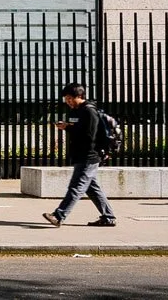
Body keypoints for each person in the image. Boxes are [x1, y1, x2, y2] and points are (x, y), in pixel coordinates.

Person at [40, 83, 118, 228]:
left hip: (89, 156)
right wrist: (68, 127)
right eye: (66, 99)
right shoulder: (76, 111)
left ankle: (59, 216)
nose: (67, 101)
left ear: (80, 96)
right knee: (92, 188)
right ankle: (109, 217)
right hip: (81, 155)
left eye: (70, 98)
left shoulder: (89, 111)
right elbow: (78, 129)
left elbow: (89, 135)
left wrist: (70, 127)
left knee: (76, 187)